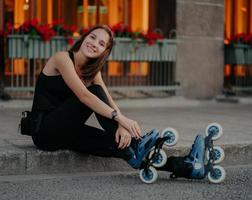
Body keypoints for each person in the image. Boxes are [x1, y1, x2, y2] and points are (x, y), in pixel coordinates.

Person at [30, 24, 206, 179]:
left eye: (101, 43)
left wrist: (122, 126)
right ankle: (139, 148)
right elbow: (85, 96)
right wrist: (119, 119)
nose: (94, 44)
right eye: (92, 37)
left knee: (118, 142)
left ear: (104, 52)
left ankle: (187, 166)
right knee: (95, 91)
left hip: (66, 130)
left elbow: (108, 100)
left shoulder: (92, 73)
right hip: (45, 131)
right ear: (84, 38)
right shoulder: (62, 59)